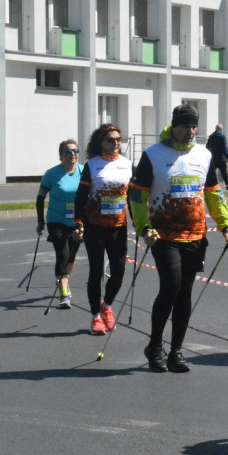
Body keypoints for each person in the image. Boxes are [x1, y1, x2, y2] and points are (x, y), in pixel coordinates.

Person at [129, 104, 228, 373]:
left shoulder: (204, 154)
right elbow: (135, 195)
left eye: (194, 126)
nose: (190, 131)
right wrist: (144, 228)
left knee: (185, 293)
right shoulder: (153, 155)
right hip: (163, 235)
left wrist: (226, 225)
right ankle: (155, 346)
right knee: (171, 287)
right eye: (185, 126)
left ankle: (176, 351)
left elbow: (213, 193)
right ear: (174, 126)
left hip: (195, 235)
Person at [73, 124, 133, 335]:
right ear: (101, 142)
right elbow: (80, 197)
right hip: (95, 227)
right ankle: (95, 317)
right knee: (96, 272)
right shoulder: (92, 165)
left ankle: (106, 306)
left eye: (118, 139)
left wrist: (140, 224)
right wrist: (78, 222)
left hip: (118, 226)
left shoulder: (127, 164)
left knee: (118, 272)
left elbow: (132, 197)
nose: (115, 143)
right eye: (110, 140)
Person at [36, 139, 84, 309]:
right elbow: (41, 197)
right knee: (62, 254)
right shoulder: (52, 174)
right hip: (56, 220)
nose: (73, 154)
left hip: (77, 221)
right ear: (61, 155)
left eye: (75, 151)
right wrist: (40, 221)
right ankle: (64, 294)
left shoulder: (83, 171)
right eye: (68, 151)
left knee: (71, 256)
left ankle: (63, 280)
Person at [205, 124, 228, 188]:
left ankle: (210, 185)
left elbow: (207, 146)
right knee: (224, 173)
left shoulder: (211, 136)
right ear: (221, 129)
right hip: (221, 158)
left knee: (211, 172)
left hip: (213, 157)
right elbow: (225, 147)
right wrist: (227, 156)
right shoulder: (222, 136)